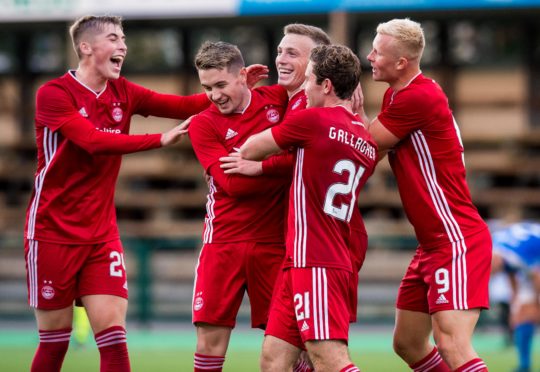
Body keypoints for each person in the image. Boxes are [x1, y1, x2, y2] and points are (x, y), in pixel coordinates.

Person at [24, 14, 219, 372]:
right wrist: (159, 139)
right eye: (114, 38)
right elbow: (92, 142)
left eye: (124, 39)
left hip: (101, 236)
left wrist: (232, 89)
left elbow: (181, 106)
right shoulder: (53, 94)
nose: (123, 46)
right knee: (54, 344)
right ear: (86, 47)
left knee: (114, 342)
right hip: (51, 232)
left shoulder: (124, 92)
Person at [362, 18, 492, 371]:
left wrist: (337, 106)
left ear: (402, 62)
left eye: (377, 51)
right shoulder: (398, 95)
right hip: (432, 243)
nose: (370, 56)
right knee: (407, 343)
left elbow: (365, 147)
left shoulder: (418, 97)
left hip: (455, 238)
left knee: (451, 342)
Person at [241, 44, 377, 372]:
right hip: (312, 258)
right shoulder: (368, 142)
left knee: (329, 359)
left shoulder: (312, 121)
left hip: (315, 258)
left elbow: (250, 149)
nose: (304, 87)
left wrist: (253, 100)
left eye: (310, 80)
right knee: (274, 360)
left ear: (327, 85)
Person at [188, 41, 291, 372]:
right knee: (209, 346)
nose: (214, 95)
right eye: (207, 88)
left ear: (244, 76)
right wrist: (284, 162)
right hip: (223, 243)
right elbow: (233, 184)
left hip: (274, 244)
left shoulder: (277, 99)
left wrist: (257, 163)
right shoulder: (204, 124)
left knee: (290, 345)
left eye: (220, 84)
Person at [491, 221, 540, 372]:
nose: (491, 273)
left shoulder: (516, 254)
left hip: (535, 266)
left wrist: (537, 304)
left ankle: (525, 365)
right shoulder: (496, 250)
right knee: (522, 315)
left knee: (528, 313)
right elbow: (510, 271)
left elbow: (537, 276)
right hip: (532, 267)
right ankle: (524, 365)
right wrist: (515, 303)